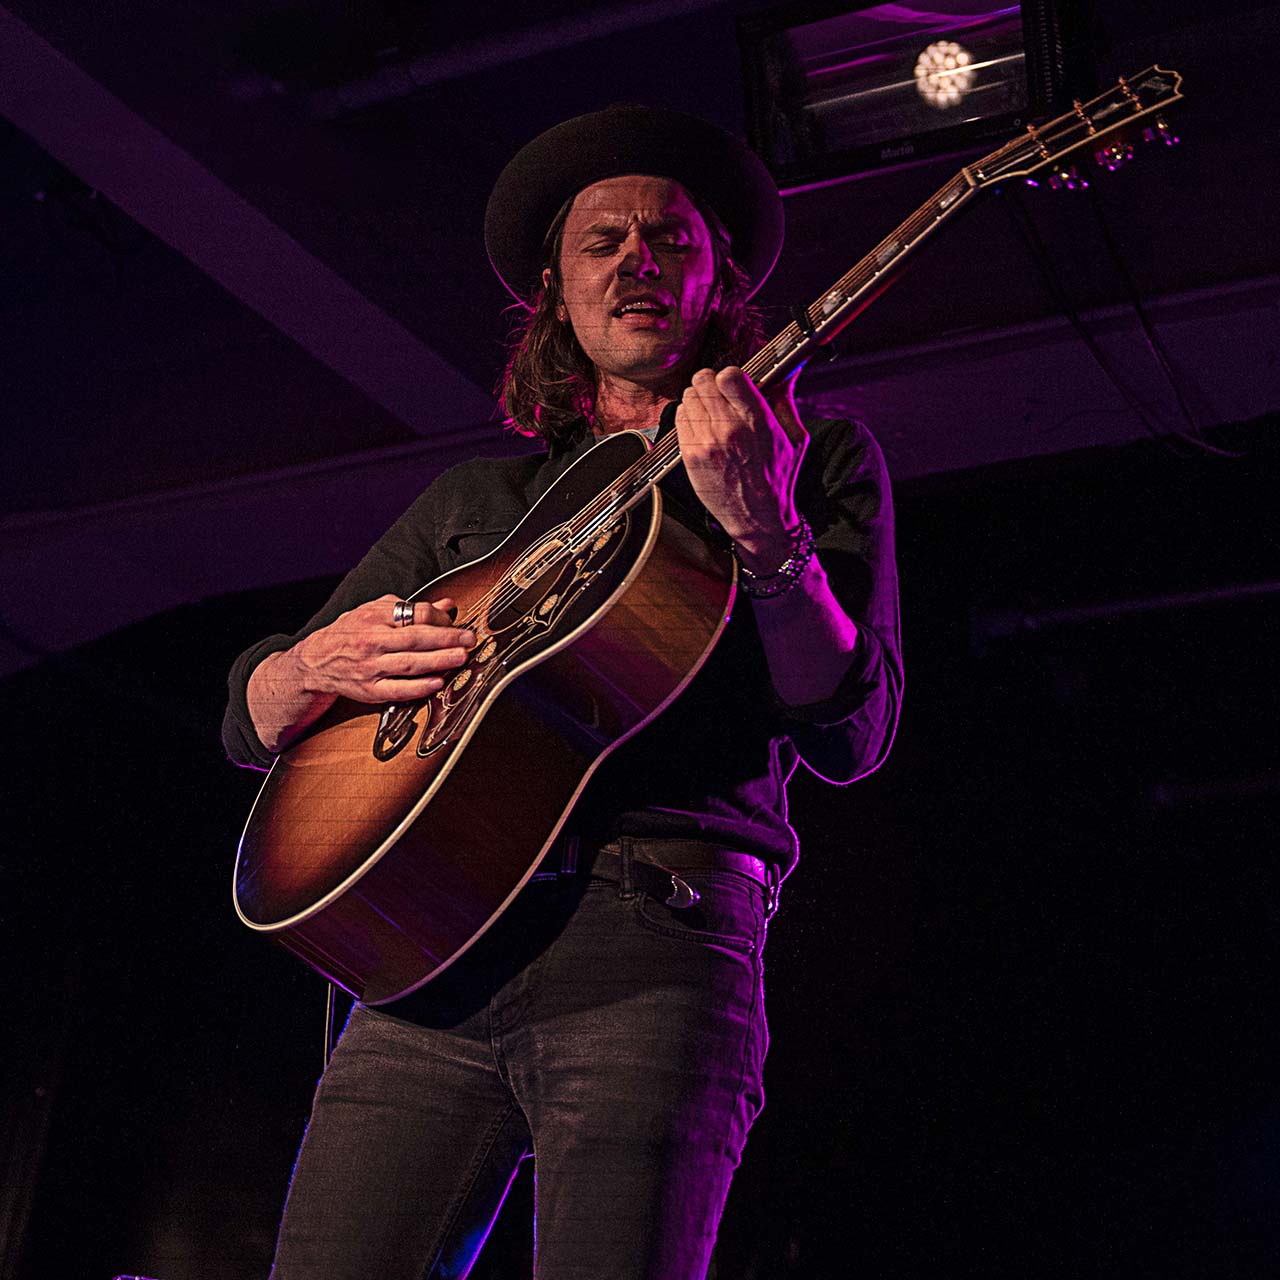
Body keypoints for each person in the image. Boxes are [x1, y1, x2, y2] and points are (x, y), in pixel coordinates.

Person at [222, 105, 902, 1280]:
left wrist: (767, 534)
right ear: (556, 290)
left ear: (717, 281)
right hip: (430, 951)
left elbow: (852, 725)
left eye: (670, 239)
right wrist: (307, 666)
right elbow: (254, 712)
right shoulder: (473, 502)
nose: (638, 260)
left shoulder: (806, 454)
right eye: (602, 241)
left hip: (653, 937)